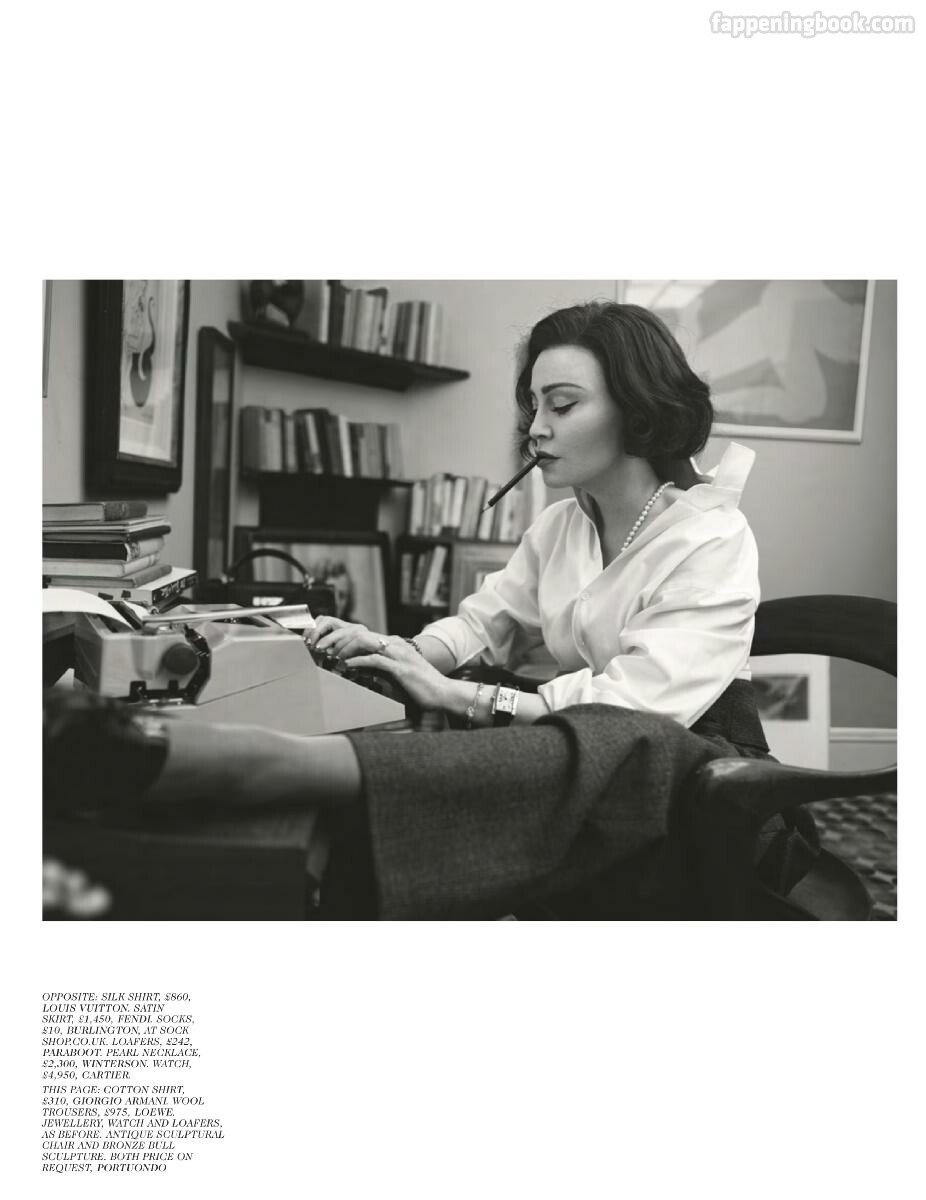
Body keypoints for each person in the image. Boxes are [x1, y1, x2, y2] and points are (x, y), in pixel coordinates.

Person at [45, 303, 813, 920]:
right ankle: (271, 786)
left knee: (540, 727)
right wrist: (403, 652)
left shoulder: (710, 536)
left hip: (689, 765)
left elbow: (641, 709)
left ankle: (263, 766)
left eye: (562, 404)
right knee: (452, 706)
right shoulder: (561, 525)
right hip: (589, 743)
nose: (535, 428)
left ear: (639, 411)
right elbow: (483, 624)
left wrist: (462, 695)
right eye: (532, 405)